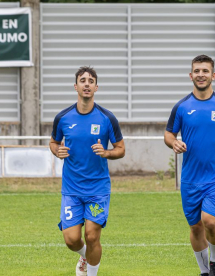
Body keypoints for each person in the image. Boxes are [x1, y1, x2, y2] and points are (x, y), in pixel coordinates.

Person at [164, 55, 215, 276]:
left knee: (209, 221)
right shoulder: (181, 107)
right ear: (191, 75)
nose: (201, 75)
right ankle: (204, 272)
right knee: (195, 227)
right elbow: (168, 133)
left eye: (205, 71)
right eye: (197, 71)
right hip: (190, 179)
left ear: (213, 75)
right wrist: (174, 142)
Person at [49, 66, 125, 276]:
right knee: (72, 239)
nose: (87, 84)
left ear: (96, 87)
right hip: (72, 189)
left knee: (92, 236)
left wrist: (106, 152)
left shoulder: (107, 118)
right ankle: (84, 255)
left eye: (91, 81)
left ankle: (91, 273)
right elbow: (53, 142)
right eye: (83, 81)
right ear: (76, 86)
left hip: (97, 188)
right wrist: (58, 151)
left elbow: (121, 149)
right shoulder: (63, 117)